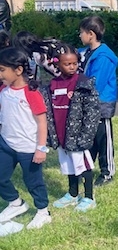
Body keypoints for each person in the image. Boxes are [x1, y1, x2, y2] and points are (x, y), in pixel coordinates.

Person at [40, 43, 101, 212]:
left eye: (74, 63)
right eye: (67, 64)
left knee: (84, 167)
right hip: (61, 135)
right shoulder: (53, 85)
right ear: (57, 64)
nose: (72, 67)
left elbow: (93, 112)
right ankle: (73, 194)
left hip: (78, 136)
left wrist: (86, 135)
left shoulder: (83, 83)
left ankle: (89, 197)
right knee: (68, 166)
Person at [0, 47, 51, 231]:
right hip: (6, 144)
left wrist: (41, 148)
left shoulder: (31, 93)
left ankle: (43, 212)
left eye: (2, 70)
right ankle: (16, 203)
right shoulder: (3, 90)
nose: (0, 75)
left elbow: (42, 123)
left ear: (18, 70)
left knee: (33, 182)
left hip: (28, 148)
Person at [78, 15, 118, 187]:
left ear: (91, 34)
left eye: (81, 32)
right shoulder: (86, 53)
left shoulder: (103, 57)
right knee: (90, 138)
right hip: (88, 102)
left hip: (101, 104)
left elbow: (96, 83)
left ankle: (107, 172)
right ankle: (86, 168)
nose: (79, 35)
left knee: (103, 140)